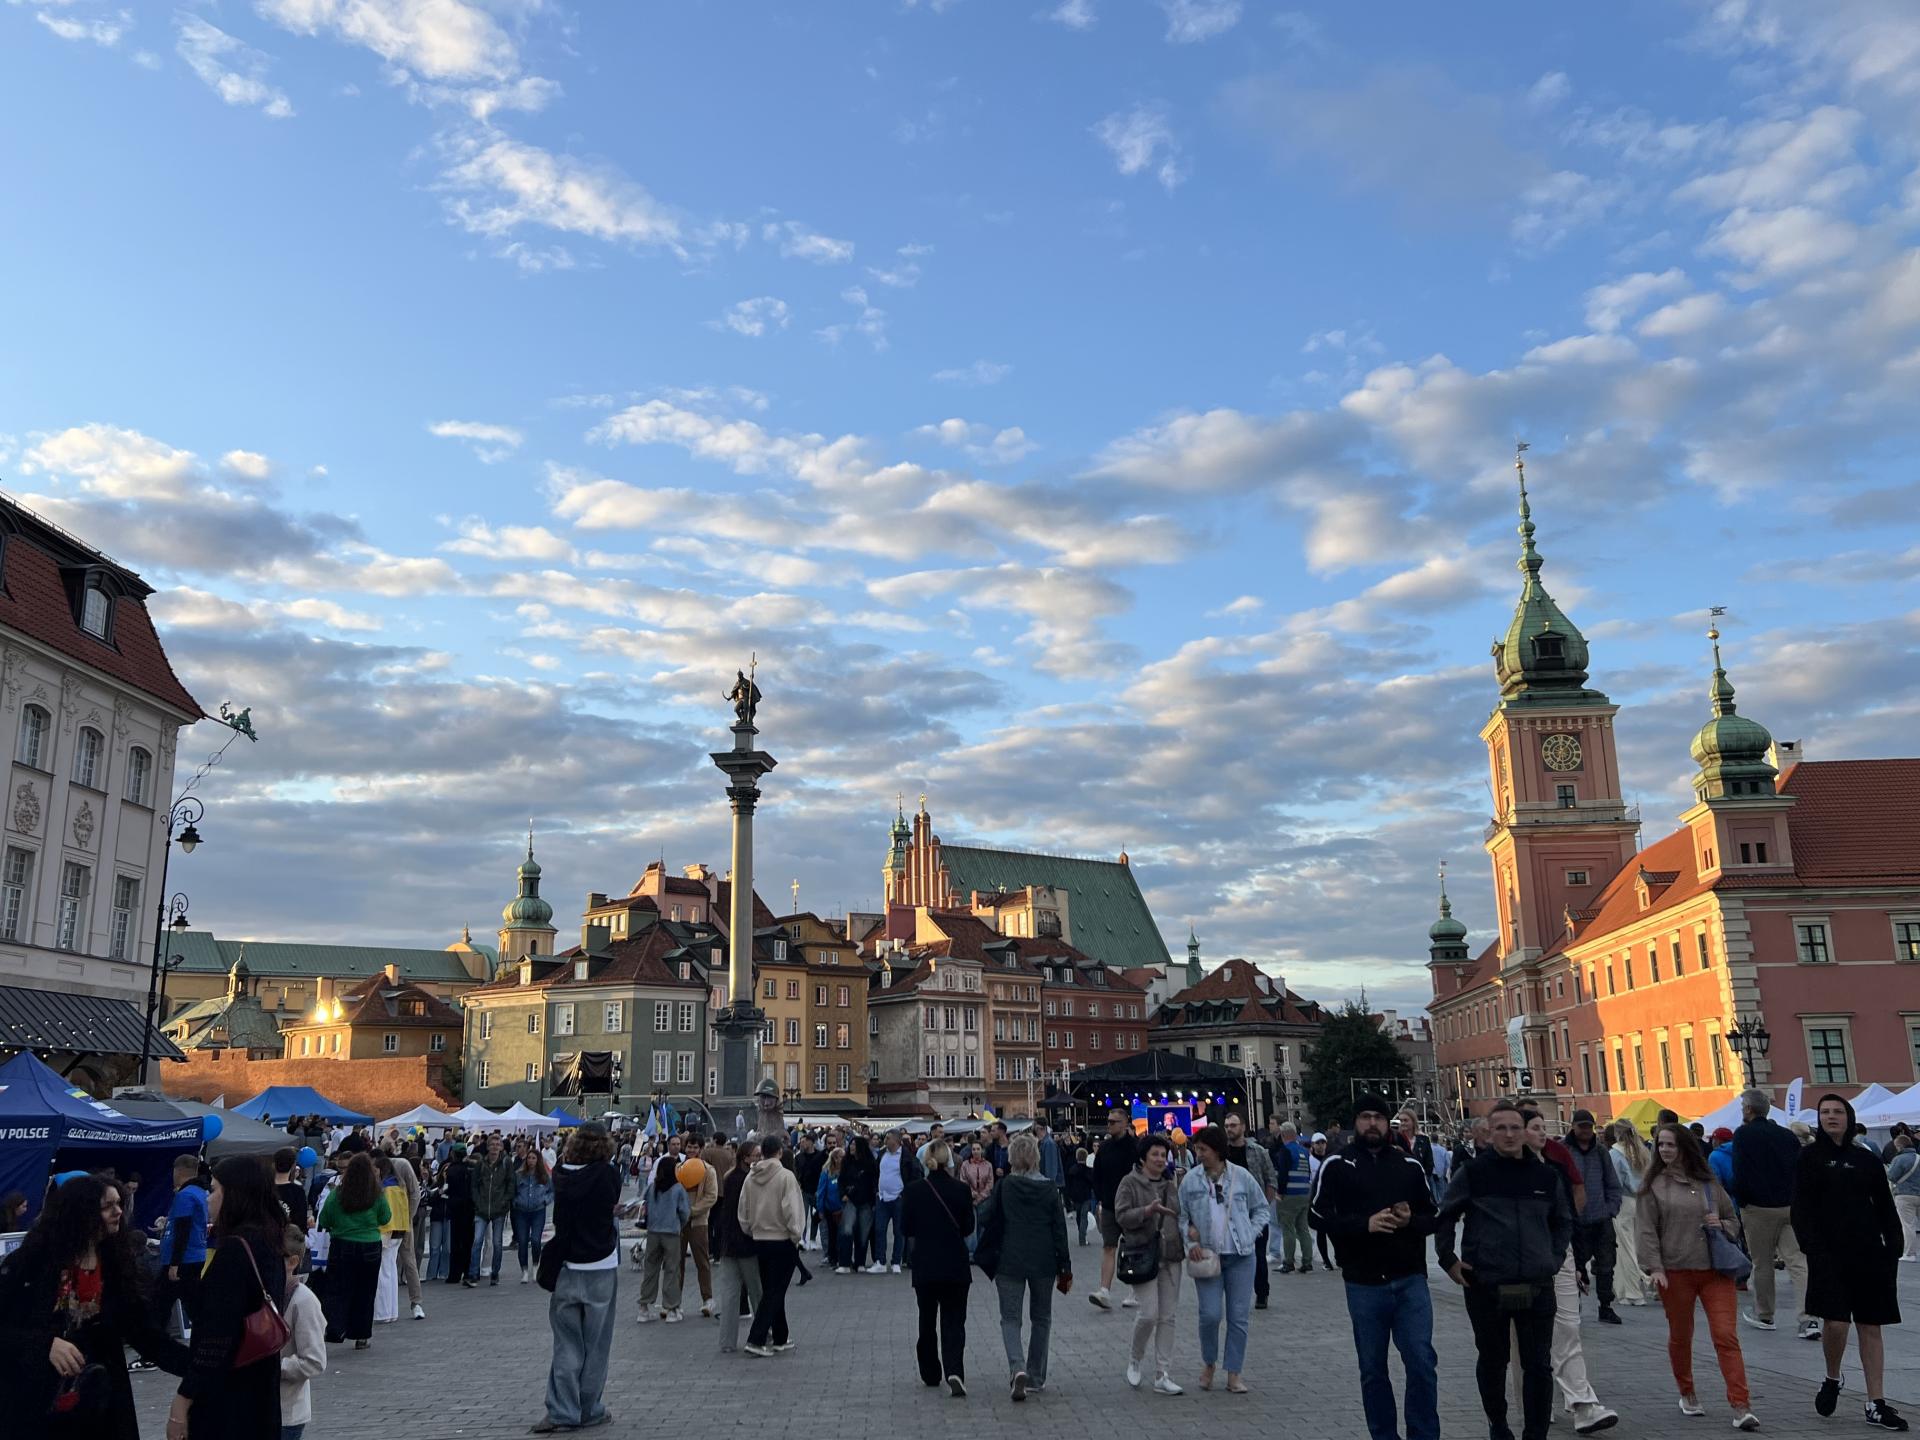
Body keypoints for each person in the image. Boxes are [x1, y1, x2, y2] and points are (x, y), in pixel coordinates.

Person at [0, 1171, 185, 1440]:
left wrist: (199, 1369)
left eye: (119, 1204)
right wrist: (44, 1344)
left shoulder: (114, 1263)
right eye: (108, 1206)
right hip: (36, 1401)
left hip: (100, 1399)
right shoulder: (33, 1261)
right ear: (81, 1212)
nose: (118, 1212)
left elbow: (144, 1333)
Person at [1436, 1101, 1569, 1440]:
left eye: (1515, 1128)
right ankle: (1498, 1425)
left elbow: (1563, 1221)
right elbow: (1445, 1215)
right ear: (1489, 1133)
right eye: (1501, 1128)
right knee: (1493, 1360)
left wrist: (1553, 1258)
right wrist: (1448, 1259)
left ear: (1524, 1132)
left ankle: (1536, 1433)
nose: (1509, 1134)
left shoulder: (1545, 1176)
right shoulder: (1474, 1173)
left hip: (1537, 1283)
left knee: (1538, 1364)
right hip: (1486, 1283)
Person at [1311, 1093, 1439, 1440]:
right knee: (1372, 1369)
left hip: (1410, 1279)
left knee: (1421, 1362)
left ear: (1388, 1123)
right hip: (1364, 1282)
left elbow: (1433, 1216)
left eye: (1378, 1118)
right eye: (1365, 1117)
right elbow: (1317, 1216)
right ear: (1355, 1123)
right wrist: (1362, 1225)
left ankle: (1424, 1434)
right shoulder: (1337, 1164)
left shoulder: (1408, 1164)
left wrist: (1411, 1220)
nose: (1372, 1123)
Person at [1794, 1093, 1907, 1431]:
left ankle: (1876, 1402)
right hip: (1828, 1253)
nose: (1831, 1117)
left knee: (1871, 1325)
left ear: (1849, 1117)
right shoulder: (1809, 1157)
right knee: (1836, 1323)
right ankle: (1832, 1378)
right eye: (1825, 1112)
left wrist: (1894, 1243)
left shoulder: (1865, 1159)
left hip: (1868, 1251)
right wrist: (1810, 1245)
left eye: (1838, 1112)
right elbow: (1800, 1206)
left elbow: (1884, 1203)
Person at [1637, 1122, 1758, 1429]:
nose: (1665, 1150)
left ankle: (1741, 1405)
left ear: (1685, 1147)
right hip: (1676, 1271)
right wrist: (1655, 1268)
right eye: (1661, 1144)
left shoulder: (1708, 1181)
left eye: (1671, 1144)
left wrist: (1722, 1225)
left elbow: (1732, 1219)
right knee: (1681, 1335)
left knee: (1725, 1336)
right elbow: (1647, 1230)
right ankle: (1687, 1391)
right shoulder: (1653, 1185)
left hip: (1715, 1270)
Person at [164, 1155, 289, 1440]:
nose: (208, 1199)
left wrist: (184, 1399)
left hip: (230, 1393)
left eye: (214, 1190)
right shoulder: (268, 1239)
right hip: (260, 1385)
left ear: (234, 1194)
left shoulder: (236, 1249)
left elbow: (217, 1335)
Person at [1519, 1109, 1618, 1435]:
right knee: (1525, 1336)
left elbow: (1569, 1214)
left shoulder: (1555, 1164)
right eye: (1535, 1127)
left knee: (1568, 1328)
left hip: (1559, 1255)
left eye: (1543, 1127)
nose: (1542, 1133)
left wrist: (1574, 1262)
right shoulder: (1499, 1170)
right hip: (1520, 1262)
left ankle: (1583, 1404)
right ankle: (1537, 1400)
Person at [535, 1122, 622, 1435]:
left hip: (567, 1265)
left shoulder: (561, 1174)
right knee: (596, 1345)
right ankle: (589, 1409)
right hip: (600, 1263)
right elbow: (610, 1203)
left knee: (566, 1344)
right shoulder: (608, 1174)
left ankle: (562, 1410)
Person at [977, 1132, 1070, 1401]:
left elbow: (985, 1217)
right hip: (1044, 1261)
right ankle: (1036, 1376)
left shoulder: (1005, 1186)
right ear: (1036, 1157)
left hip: (1009, 1259)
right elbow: (1059, 1230)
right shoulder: (1050, 1188)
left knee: (1010, 1319)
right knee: (1041, 1319)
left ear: (1012, 1158)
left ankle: (1017, 1367)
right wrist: (1065, 1267)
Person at [1178, 1123, 1271, 1395]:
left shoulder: (1241, 1177)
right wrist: (1191, 1241)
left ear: (1217, 1151)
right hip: (1207, 1256)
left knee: (1238, 1317)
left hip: (1241, 1256)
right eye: (1197, 1149)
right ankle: (1209, 1362)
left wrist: (1251, 1232)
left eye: (1203, 1149)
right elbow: (1181, 1216)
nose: (1198, 1154)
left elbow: (1262, 1209)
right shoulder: (1191, 1180)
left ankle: (1234, 1372)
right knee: (1210, 1315)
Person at [1729, 1087, 1817, 1339]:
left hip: (1758, 1208)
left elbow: (1740, 1170)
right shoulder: (1786, 1135)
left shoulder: (1743, 1134)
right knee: (1798, 1262)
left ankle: (1765, 1314)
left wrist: (1742, 1201)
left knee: (1763, 1263)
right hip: (1790, 1206)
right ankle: (1809, 1318)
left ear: (1748, 1109)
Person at [901, 1138, 974, 1395]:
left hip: (926, 1264)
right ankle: (954, 1370)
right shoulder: (961, 1190)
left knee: (927, 1319)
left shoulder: (913, 1191)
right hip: (955, 1264)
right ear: (949, 1159)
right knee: (954, 1321)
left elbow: (906, 1228)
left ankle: (930, 1371)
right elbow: (968, 1227)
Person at [1114, 1132, 1184, 1395]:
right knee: (1149, 1314)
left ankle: (1162, 1374)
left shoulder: (1170, 1183)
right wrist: (1147, 1211)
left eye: (1163, 1155)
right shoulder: (1129, 1182)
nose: (1159, 1159)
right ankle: (1135, 1358)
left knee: (1168, 1316)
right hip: (1142, 1253)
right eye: (1154, 1154)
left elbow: (1180, 1213)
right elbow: (1121, 1215)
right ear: (1143, 1158)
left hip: (1171, 1254)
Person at [739, 1131, 806, 1357]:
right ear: (779, 1152)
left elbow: (743, 1210)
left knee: (772, 1289)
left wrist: (751, 1230)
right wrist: (796, 1235)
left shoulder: (750, 1177)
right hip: (782, 1239)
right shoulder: (786, 1176)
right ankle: (756, 1339)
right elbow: (792, 1210)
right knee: (774, 1292)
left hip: (759, 1238)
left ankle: (780, 1336)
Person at [317, 1152, 390, 1350]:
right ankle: (361, 1335)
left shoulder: (337, 1194)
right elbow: (385, 1217)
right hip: (370, 1245)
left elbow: (324, 1219)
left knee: (338, 1288)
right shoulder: (376, 1194)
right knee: (366, 1291)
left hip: (342, 1244)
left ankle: (335, 1329)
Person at [1563, 1109, 1623, 1324]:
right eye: (1582, 1126)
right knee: (1575, 1266)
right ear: (1573, 1127)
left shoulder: (1600, 1152)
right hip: (1574, 1220)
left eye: (1589, 1126)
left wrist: (1611, 1209)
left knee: (1607, 1265)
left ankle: (1605, 1305)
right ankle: (1574, 1306)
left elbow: (1612, 1183)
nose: (1586, 1130)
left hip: (1601, 1218)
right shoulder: (1564, 1150)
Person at [1222, 1112, 1279, 1309]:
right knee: (1231, 1255)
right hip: (1228, 1214)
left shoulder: (1258, 1151)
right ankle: (1236, 1295)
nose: (1229, 1129)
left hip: (1254, 1213)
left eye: (1233, 1125)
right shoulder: (1221, 1153)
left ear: (1243, 1127)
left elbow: (1270, 1179)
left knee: (1259, 1254)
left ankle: (1262, 1293)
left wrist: (1264, 1205)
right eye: (1227, 1126)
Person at [713, 1141, 763, 1354]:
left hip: (728, 1243)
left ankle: (727, 1341)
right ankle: (763, 1333)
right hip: (746, 1243)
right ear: (746, 1158)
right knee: (756, 1292)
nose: (759, 1158)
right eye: (756, 1155)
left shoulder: (730, 1177)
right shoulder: (749, 1180)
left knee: (730, 1295)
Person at [278, 1223, 326, 1440]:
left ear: (292, 1262)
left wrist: (274, 1367)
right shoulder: (265, 1294)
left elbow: (314, 1361)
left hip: (288, 1413)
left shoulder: (304, 1301)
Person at [1088, 1109, 1138, 1310]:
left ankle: (1136, 1291)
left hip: (1132, 1206)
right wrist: (1101, 1199)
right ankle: (1104, 1291)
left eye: (1113, 1122)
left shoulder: (1136, 1147)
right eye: (1108, 1121)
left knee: (1133, 1247)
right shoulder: (1105, 1148)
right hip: (1109, 1206)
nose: (1109, 1125)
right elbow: (1096, 1176)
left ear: (1125, 1123)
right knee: (1108, 1247)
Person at [159, 1152, 209, 1339]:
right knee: (191, 1302)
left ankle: (156, 1345)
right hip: (195, 1255)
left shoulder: (185, 1195)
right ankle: (206, 1338)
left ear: (178, 1171)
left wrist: (175, 1263)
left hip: (182, 1259)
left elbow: (183, 1229)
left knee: (160, 1304)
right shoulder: (201, 1193)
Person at [634, 1155, 689, 1323]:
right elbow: (684, 1212)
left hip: (653, 1232)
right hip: (671, 1232)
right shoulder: (678, 1188)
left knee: (650, 1269)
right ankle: (671, 1308)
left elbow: (644, 1205)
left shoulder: (652, 1187)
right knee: (672, 1270)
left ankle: (643, 1307)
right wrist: (679, 1224)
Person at [1606, 1123, 1652, 1306]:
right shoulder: (1642, 1152)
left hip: (1623, 1202)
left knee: (1625, 1248)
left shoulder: (1615, 1154)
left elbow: (1614, 1182)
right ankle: (1628, 1290)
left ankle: (1633, 1291)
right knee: (1636, 1246)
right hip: (1641, 1201)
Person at [468, 1135, 514, 1288]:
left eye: (497, 1144)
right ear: (487, 1147)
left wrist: (504, 1201)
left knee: (497, 1242)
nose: (494, 1147)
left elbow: (511, 1184)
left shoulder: (506, 1163)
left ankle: (495, 1272)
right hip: (482, 1208)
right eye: (492, 1144)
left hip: (498, 1208)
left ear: (501, 1147)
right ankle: (473, 1274)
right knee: (477, 1241)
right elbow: (474, 1185)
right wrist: (477, 1201)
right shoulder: (481, 1164)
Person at [679, 1148, 719, 1316]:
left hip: (699, 1222)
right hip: (680, 1222)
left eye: (695, 1147)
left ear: (701, 1149)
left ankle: (707, 1299)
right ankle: (674, 1302)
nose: (691, 1150)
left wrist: (693, 1211)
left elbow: (711, 1196)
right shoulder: (679, 1168)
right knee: (677, 1262)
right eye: (689, 1146)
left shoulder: (708, 1170)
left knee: (702, 1261)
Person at [1273, 1121, 1314, 1272]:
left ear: (1283, 1135)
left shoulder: (1285, 1150)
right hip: (1304, 1194)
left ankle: (1288, 1262)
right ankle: (1307, 1262)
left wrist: (1280, 1192)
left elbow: (1283, 1174)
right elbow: (1308, 1172)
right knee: (1303, 1228)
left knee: (1288, 1228)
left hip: (1289, 1195)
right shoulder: (1304, 1151)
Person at [513, 1149, 554, 1286]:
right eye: (529, 1158)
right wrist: (515, 1201)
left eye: (533, 1158)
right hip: (521, 1211)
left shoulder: (544, 1176)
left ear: (538, 1160)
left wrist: (545, 1200)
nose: (531, 1161)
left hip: (538, 1211)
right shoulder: (519, 1175)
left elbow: (551, 1191)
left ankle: (536, 1266)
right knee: (523, 1241)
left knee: (536, 1240)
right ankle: (524, 1270)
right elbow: (512, 1191)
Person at [871, 1130, 909, 1274]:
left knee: (899, 1231)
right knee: (879, 1229)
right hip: (882, 1197)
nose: (885, 1140)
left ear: (897, 1140)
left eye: (888, 1138)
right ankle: (880, 1261)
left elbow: (912, 1174)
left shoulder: (905, 1155)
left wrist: (904, 1194)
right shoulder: (882, 1154)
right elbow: (876, 1172)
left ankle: (896, 1261)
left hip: (898, 1198)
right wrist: (876, 1190)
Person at [443, 1143, 474, 1286]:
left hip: (455, 1208)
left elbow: (448, 1189)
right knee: (467, 1242)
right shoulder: (470, 1169)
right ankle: (467, 1271)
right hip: (469, 1208)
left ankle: (454, 1274)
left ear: (453, 1154)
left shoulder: (451, 1170)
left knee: (455, 1242)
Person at [814, 1147, 844, 1272]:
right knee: (832, 1235)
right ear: (835, 1159)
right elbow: (821, 1192)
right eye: (840, 1157)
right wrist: (820, 1209)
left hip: (843, 1208)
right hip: (830, 1209)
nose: (843, 1159)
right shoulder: (826, 1172)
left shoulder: (845, 1171)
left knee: (844, 1235)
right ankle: (833, 1258)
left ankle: (844, 1258)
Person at [1890, 1136, 1920, 1261]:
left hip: (1904, 1195)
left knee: (1908, 1225)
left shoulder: (1899, 1159)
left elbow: (1892, 1176)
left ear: (1899, 1146)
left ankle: (1910, 1254)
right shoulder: (1918, 1157)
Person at [1064, 1146, 1095, 1247]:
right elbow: (1092, 1182)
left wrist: (1069, 1195)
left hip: (1075, 1196)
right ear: (1086, 1157)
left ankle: (1080, 1232)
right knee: (1084, 1216)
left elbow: (1068, 1184)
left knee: (1078, 1215)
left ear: (1077, 1157)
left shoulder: (1072, 1170)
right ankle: (1083, 1237)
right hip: (1086, 1196)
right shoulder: (1089, 1171)